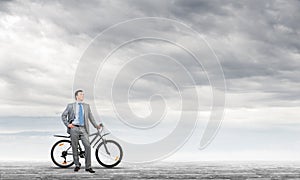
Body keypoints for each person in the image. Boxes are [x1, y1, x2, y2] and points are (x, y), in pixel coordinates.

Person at [61, 89, 102, 173]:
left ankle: (88, 167)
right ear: (77, 96)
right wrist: (68, 124)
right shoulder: (70, 106)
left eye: (83, 94)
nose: (83, 96)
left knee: (87, 146)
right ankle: (77, 164)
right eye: (81, 94)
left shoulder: (86, 106)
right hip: (74, 128)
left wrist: (96, 126)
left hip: (83, 129)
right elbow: (63, 116)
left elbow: (91, 117)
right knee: (74, 147)